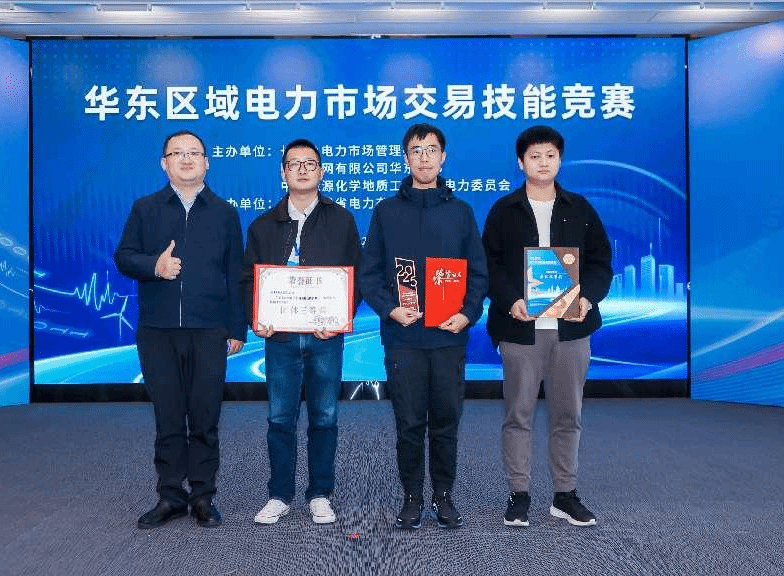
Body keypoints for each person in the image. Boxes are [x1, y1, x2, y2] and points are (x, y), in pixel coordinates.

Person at [358, 123, 488, 530]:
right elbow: (369, 274)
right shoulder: (386, 211)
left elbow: (478, 274)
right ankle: (412, 496)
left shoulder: (461, 212)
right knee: (410, 423)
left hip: (449, 336)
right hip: (403, 337)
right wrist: (390, 310)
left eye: (432, 149)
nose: (424, 157)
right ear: (406, 158)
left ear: (443, 157)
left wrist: (467, 313)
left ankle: (443, 496)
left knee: (447, 421)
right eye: (416, 150)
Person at [481, 125, 612, 528]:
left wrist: (588, 296)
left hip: (571, 329)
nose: (543, 162)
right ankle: (519, 494)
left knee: (568, 414)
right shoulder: (504, 211)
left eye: (550, 155)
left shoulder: (580, 208)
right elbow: (490, 266)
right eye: (534, 156)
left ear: (560, 160)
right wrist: (511, 300)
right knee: (518, 414)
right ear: (520, 162)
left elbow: (600, 263)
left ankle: (565, 494)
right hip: (520, 329)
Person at [114, 130, 246, 529]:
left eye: (194, 153)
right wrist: (154, 266)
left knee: (205, 417)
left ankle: (203, 496)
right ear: (164, 163)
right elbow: (124, 257)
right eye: (177, 153)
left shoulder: (224, 213)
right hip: (158, 331)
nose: (186, 159)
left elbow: (235, 274)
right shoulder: (146, 208)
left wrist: (236, 328)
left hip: (209, 330)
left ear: (207, 162)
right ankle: (170, 496)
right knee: (168, 417)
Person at [243, 138, 361, 525]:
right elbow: (248, 279)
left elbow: (356, 276)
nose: (303, 170)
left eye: (310, 163)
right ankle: (279, 494)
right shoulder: (263, 226)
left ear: (321, 171)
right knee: (280, 418)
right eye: (294, 164)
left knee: (324, 416)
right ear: (283, 173)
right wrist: (257, 317)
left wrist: (341, 316)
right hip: (279, 338)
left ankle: (320, 493)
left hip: (326, 337)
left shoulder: (341, 220)